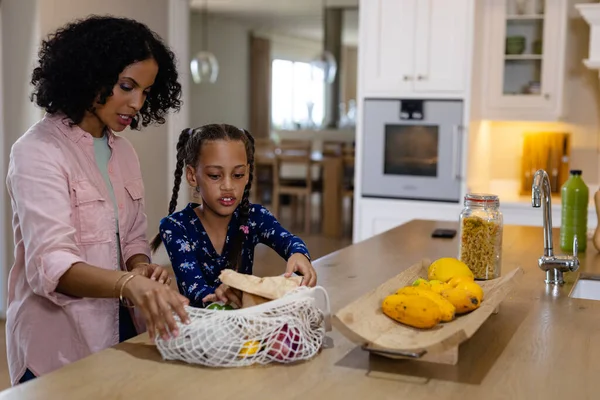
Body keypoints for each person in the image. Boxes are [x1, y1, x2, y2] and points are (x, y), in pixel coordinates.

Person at [5, 15, 190, 386]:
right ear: (89, 75)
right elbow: (52, 267)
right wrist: (128, 284)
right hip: (59, 347)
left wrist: (142, 267)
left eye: (146, 91)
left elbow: (134, 238)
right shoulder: (37, 152)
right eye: (126, 86)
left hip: (121, 330)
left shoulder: (123, 153)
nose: (137, 102)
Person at [151, 124, 317, 308]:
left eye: (238, 174)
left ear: (247, 175)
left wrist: (299, 254)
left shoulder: (254, 217)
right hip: (201, 331)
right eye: (215, 176)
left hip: (244, 328)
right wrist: (219, 295)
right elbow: (194, 289)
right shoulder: (176, 227)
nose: (228, 186)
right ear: (192, 175)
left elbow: (289, 240)